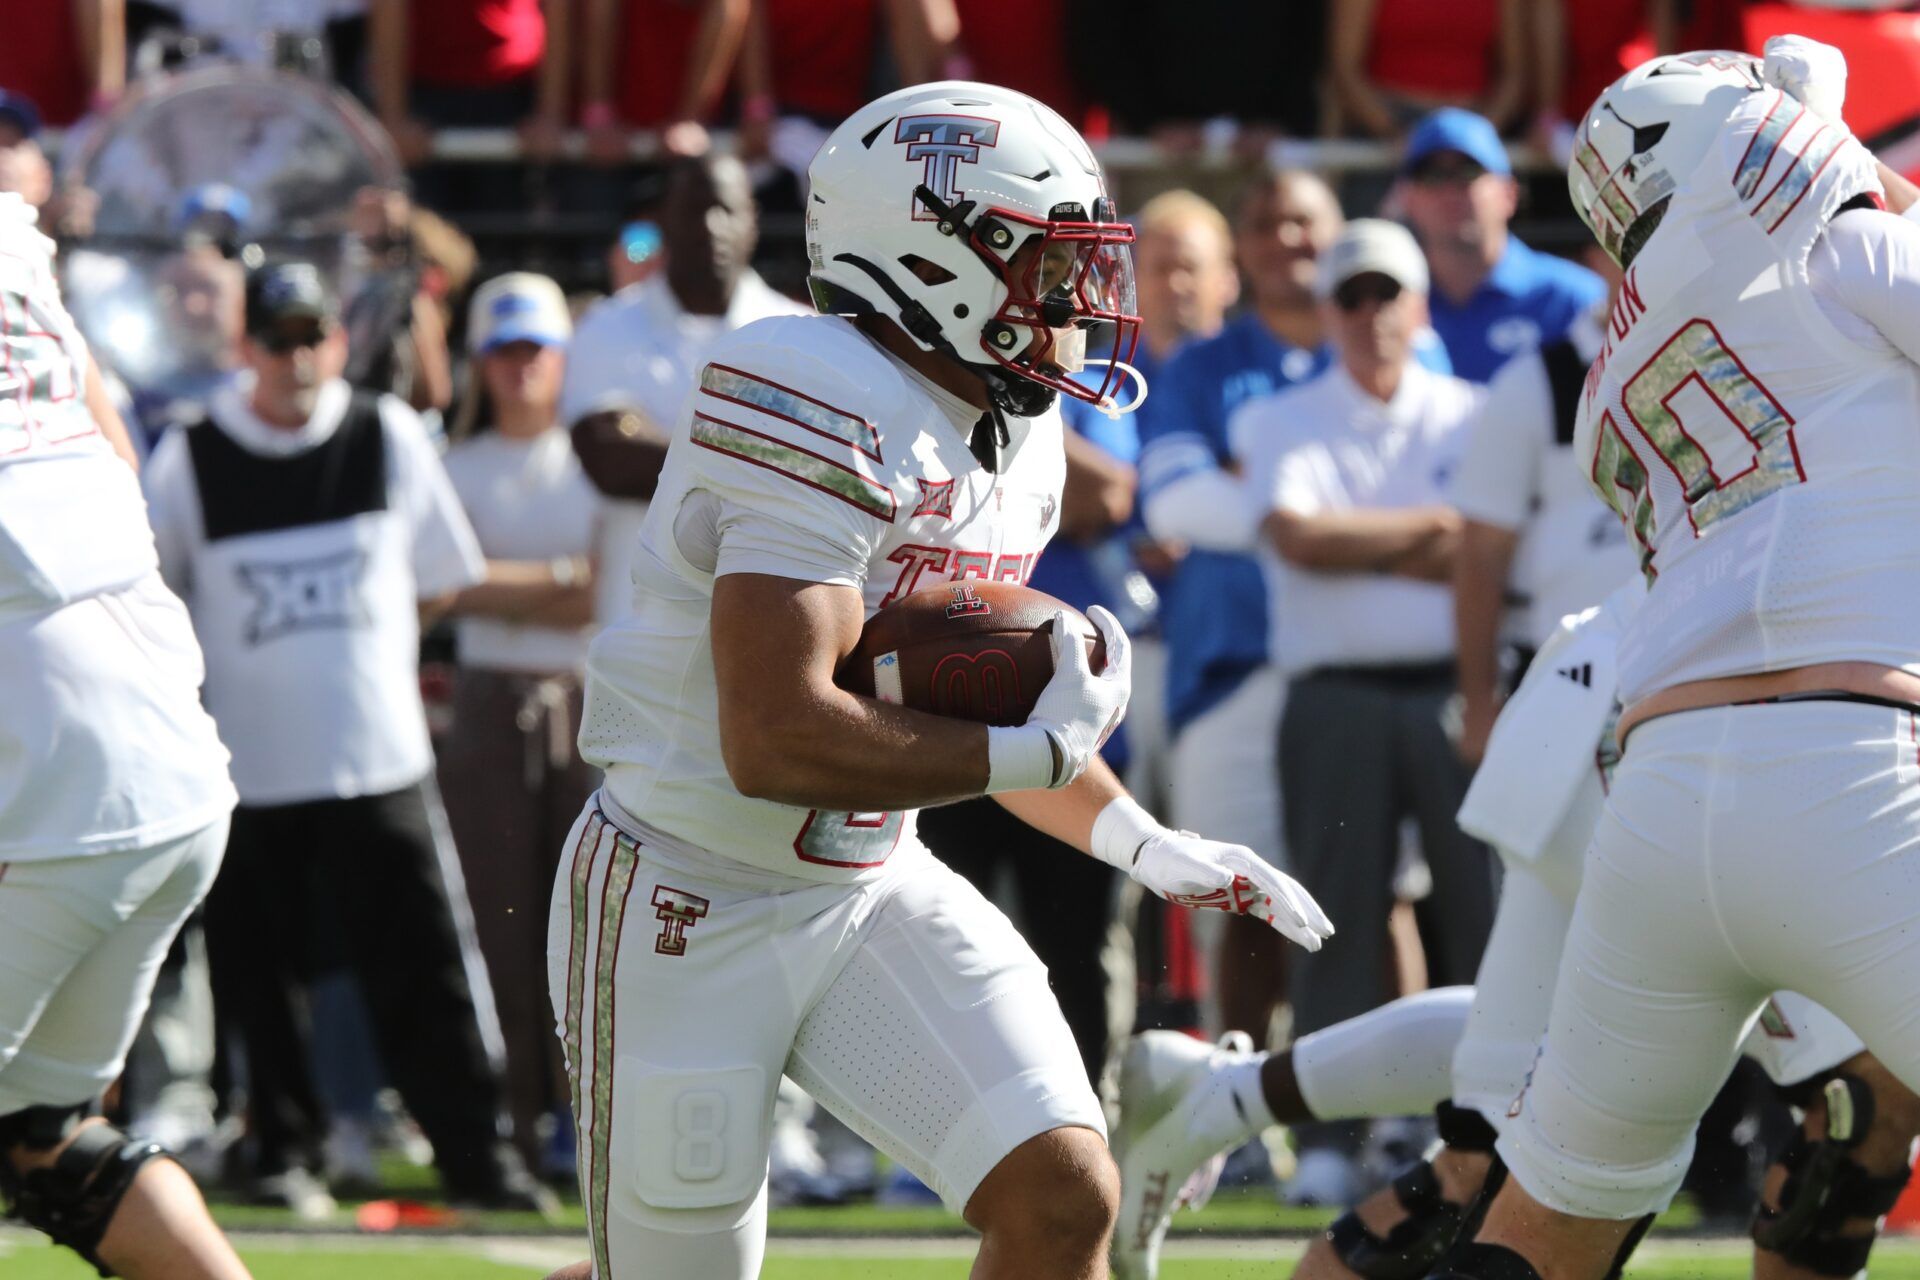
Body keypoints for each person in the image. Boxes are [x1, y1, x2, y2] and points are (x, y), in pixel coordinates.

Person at [542, 80, 1333, 1280]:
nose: (1079, 300)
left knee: (1064, 1191)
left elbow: (979, 706)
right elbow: (775, 733)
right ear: (934, 258)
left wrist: (1140, 840)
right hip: (685, 890)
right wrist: (1031, 755)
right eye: (1049, 262)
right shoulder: (809, 387)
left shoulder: (1017, 436)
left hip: (867, 878)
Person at [1430, 39, 1920, 1280]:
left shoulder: (1615, 368)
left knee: (1546, 1228)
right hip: (1853, 766)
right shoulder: (1835, 246)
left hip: (1659, 798)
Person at [1110, 578, 1920, 1280]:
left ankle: (1225, 1095)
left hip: (1623, 698)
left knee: (1486, 1150)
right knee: (1859, 1105)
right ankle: (1228, 1095)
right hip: (1725, 729)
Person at [142, 261, 551, 1216]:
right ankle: (280, 1148)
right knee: (259, 980)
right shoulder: (192, 456)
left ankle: (473, 1155)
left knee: (426, 970)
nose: (298, 358)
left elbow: (439, 576)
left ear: (338, 337)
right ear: (245, 347)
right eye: (277, 339)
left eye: (313, 335)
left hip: (379, 760)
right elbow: (163, 596)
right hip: (249, 774)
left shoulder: (386, 432)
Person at [916, 189, 1239, 1094]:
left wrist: (1003, 401)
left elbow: (1111, 493)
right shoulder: (919, 380)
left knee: (1079, 938)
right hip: (941, 689)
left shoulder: (1075, 384)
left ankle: (1085, 1112)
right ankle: (928, 1121)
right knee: (939, 928)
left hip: (1065, 699)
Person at [0, 188, 250, 1280]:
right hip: (172, 759)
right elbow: (113, 453)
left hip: (56, 778)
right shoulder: (12, 235)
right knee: (39, 1137)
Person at [1236, 218, 1496, 1208]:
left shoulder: (1472, 410)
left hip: (1451, 683)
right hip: (1334, 693)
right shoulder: (1280, 417)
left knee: (1479, 918)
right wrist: (1436, 534)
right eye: (1354, 296)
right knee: (1333, 918)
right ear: (1329, 310)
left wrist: (1390, 543)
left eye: (1389, 293)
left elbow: (1487, 552)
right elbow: (1298, 538)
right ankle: (1335, 1139)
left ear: (1419, 304)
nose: (1372, 313)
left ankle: (1479, 1128)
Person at [1137, 169, 1344, 1060]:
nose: (1283, 239)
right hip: (1226, 667)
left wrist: (1253, 499)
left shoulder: (1382, 339)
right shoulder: (1198, 367)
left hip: (1355, 667)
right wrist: (1341, 512)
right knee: (1241, 900)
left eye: (1302, 220)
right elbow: (1177, 506)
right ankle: (1240, 1108)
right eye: (1263, 221)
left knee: (1370, 896)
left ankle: (1362, 1118)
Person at [438, 273, 600, 1182]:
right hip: (487, 699)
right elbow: (438, 582)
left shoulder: (589, 461)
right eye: (503, 350)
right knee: (500, 916)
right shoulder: (453, 466)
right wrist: (558, 581)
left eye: (534, 348)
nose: (520, 367)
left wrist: (493, 580)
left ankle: (587, 1118)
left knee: (585, 922)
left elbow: (597, 585)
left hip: (587, 695)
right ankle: (515, 1118)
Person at [560, 152, 809, 626]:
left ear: (753, 221)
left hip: (769, 625)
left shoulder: (802, 334)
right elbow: (609, 460)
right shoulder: (606, 326)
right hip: (637, 623)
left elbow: (819, 473)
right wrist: (767, 455)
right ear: (664, 222)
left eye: (726, 210)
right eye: (694, 209)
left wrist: (659, 439)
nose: (710, 226)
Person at [1448, 247, 1637, 762]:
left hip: (1697, 676)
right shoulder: (1533, 381)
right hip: (1566, 685)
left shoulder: (1729, 360)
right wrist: (1480, 705)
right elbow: (1482, 553)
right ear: (1599, 256)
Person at [1397, 108, 1605, 384]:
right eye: (1431, 175)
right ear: (1406, 199)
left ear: (1510, 194)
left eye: (1468, 172)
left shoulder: (1573, 299)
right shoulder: (1383, 302)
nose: (1449, 191)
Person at [1329, 0, 1528, 138]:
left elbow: (1514, 74)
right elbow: (1345, 70)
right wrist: (1393, 131)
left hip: (1473, 130)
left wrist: (1478, 136)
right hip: (1386, 134)